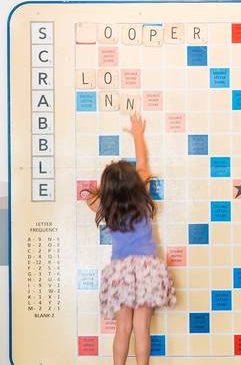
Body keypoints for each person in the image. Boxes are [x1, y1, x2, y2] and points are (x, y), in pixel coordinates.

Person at [87, 113, 176, 365]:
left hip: (120, 270)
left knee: (122, 328)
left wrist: (109, 191)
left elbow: (89, 199)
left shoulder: (106, 204)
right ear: (135, 182)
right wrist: (138, 134)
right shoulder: (142, 196)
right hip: (148, 267)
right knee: (142, 328)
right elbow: (143, 162)